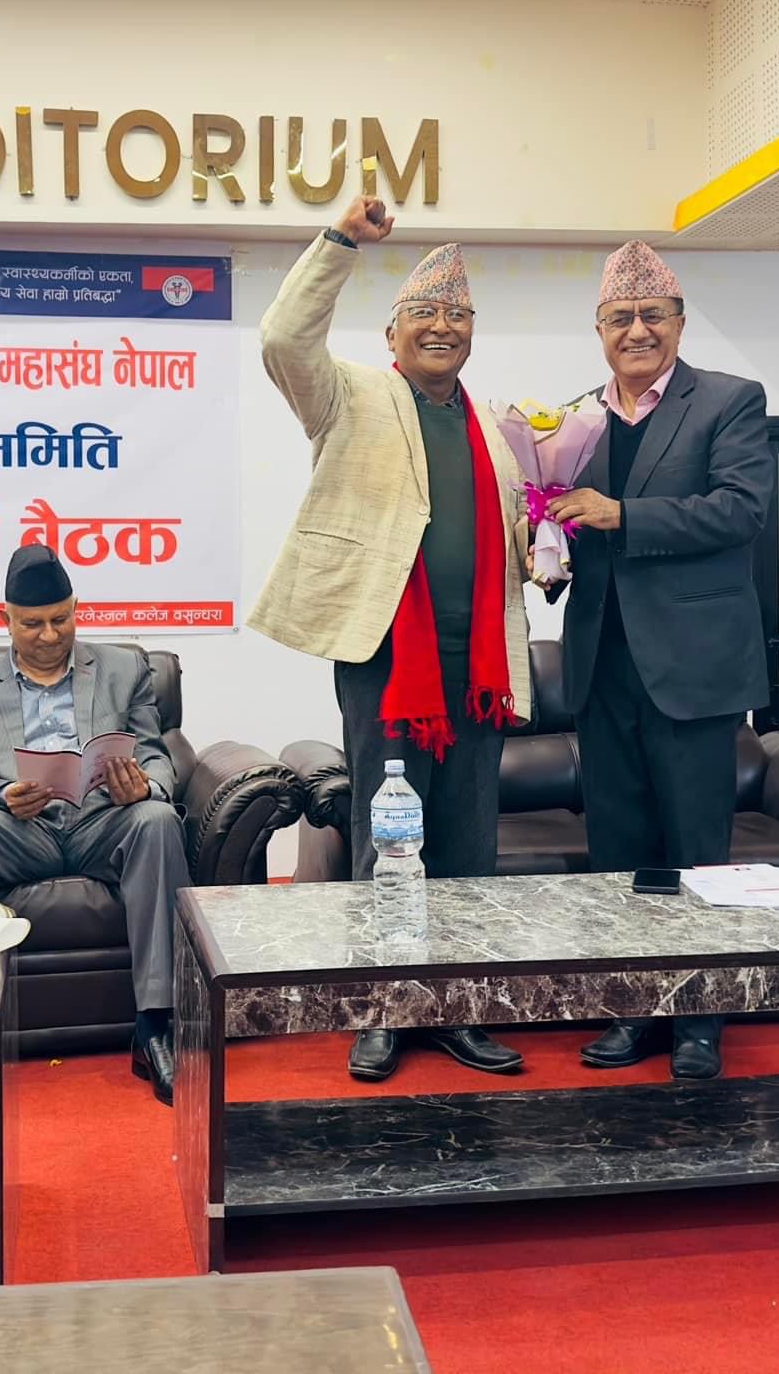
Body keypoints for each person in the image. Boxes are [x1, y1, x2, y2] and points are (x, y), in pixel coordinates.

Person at [253, 195, 532, 1084]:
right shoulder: (351, 396)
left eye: (457, 314)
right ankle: (382, 1008)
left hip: (478, 666)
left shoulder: (495, 428)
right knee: (390, 838)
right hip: (387, 659)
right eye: (424, 312)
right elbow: (283, 339)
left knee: (469, 846)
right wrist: (341, 240)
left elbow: (512, 535)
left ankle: (457, 1010)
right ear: (392, 333)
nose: (442, 326)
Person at [545, 241, 774, 1080]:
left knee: (696, 851)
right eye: (620, 318)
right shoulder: (576, 419)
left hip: (693, 668)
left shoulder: (728, 400)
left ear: (678, 323)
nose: (636, 330)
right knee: (620, 852)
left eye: (652, 315)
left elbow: (741, 510)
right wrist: (549, 550)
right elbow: (569, 516)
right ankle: (634, 1009)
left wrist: (621, 516)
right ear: (599, 330)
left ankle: (700, 1021)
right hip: (603, 664)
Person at [0, 544, 187, 1123]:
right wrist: (0, 795)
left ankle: (156, 1027)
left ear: (76, 609)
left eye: (61, 620)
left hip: (101, 821)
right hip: (21, 830)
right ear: (6, 620)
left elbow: (157, 755)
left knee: (157, 820)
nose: (48, 635)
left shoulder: (125, 670)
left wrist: (144, 787)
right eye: (32, 624)